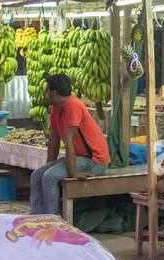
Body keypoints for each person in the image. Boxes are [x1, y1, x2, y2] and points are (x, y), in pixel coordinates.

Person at [30, 73, 110, 215]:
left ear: (53, 93)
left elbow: (69, 142)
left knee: (50, 177)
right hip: (80, 158)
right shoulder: (56, 107)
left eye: (47, 90)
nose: (45, 93)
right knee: (37, 175)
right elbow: (53, 141)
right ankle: (37, 216)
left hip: (94, 160)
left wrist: (72, 172)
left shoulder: (73, 105)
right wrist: (49, 165)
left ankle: (52, 220)